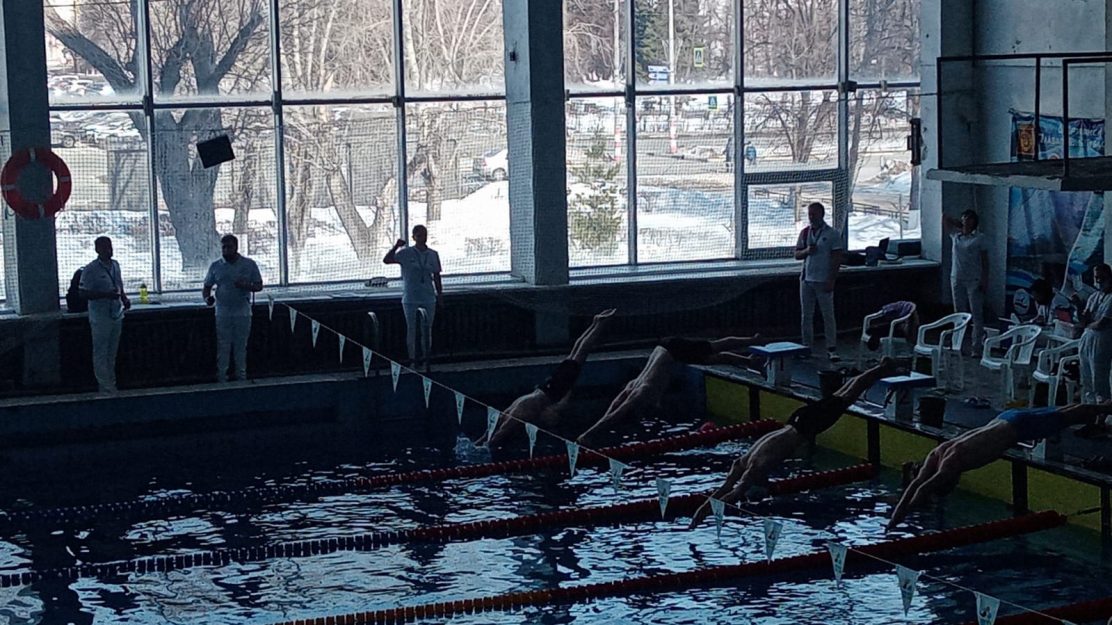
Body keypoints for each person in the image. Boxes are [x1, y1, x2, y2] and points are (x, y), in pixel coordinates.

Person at [690, 358, 900, 528]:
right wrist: (699, 513)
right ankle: (881, 368)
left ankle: (883, 368)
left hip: (805, 427)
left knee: (847, 397)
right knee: (841, 395)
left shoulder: (752, 468)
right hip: (795, 420)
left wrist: (704, 515)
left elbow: (731, 494)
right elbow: (722, 491)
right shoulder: (743, 461)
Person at [887, 402, 1112, 529]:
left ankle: (1107, 407)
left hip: (1018, 428)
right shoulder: (938, 453)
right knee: (1070, 410)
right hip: (1005, 418)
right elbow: (917, 485)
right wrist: (893, 521)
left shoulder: (950, 466)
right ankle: (1105, 407)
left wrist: (902, 518)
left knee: (1076, 415)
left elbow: (921, 489)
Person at [576, 335, 761, 445]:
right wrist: (593, 429)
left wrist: (589, 434)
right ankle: (750, 361)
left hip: (673, 350)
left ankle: (753, 339)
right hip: (665, 350)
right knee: (712, 358)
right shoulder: (632, 386)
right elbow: (613, 408)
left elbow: (615, 414)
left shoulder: (641, 392)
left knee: (714, 347)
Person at [479, 309, 616, 448]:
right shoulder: (515, 409)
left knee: (580, 353)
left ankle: (599, 324)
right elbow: (492, 429)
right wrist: (480, 442)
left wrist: (484, 447)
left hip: (553, 390)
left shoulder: (517, 416)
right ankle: (596, 322)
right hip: (546, 389)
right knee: (575, 353)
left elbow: (498, 435)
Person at [203, 234, 263, 383]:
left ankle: (241, 377)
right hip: (222, 312)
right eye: (224, 247)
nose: (226, 250)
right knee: (223, 345)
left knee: (240, 346)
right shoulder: (216, 266)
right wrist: (207, 299)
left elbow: (259, 285)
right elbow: (207, 287)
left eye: (229, 247)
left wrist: (247, 286)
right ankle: (222, 377)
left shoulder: (249, 265)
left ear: (236, 247)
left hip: (242, 312)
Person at [384, 225, 443, 369]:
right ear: (413, 237)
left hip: (428, 296)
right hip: (410, 297)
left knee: (427, 329)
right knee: (412, 329)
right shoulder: (406, 253)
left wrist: (440, 295)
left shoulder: (433, 254)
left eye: (424, 235)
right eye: (419, 236)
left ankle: (426, 359)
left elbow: (436, 276)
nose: (423, 238)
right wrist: (396, 246)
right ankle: (412, 360)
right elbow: (387, 260)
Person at [79, 236, 130, 393]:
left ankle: (111, 382)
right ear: (97, 250)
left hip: (116, 313)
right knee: (101, 351)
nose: (109, 250)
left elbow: (118, 285)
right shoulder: (90, 269)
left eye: (110, 246)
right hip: (100, 317)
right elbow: (82, 293)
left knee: (112, 352)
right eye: (105, 247)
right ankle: (105, 386)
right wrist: (105, 295)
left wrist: (124, 298)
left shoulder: (115, 265)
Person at [795, 202, 844, 359]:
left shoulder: (832, 234)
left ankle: (831, 348)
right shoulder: (804, 233)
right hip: (806, 280)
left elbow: (837, 258)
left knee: (827, 315)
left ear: (822, 215)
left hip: (823, 281)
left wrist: (832, 279)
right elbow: (797, 254)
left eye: (814, 214)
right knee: (806, 315)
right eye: (809, 214)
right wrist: (807, 251)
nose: (811, 217)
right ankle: (806, 346)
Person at [944, 210, 989, 355]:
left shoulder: (979, 238)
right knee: (959, 312)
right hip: (957, 277)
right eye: (964, 219)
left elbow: (985, 260)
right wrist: (958, 223)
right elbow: (945, 217)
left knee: (976, 313)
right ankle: (958, 343)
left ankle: (977, 347)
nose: (966, 222)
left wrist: (984, 279)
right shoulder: (956, 236)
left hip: (974, 279)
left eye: (969, 219)